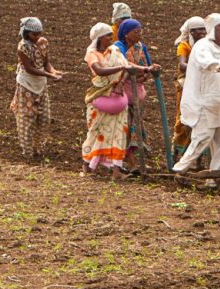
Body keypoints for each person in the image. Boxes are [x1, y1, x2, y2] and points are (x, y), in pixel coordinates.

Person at [172, 13, 220, 186]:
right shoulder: (202, 46)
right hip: (204, 102)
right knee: (202, 138)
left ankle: (214, 178)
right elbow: (206, 63)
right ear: (212, 27)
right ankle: (179, 170)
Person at [82, 22, 132, 179]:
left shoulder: (115, 51)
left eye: (112, 35)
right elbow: (99, 70)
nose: (111, 38)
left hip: (117, 95)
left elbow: (127, 67)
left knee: (119, 133)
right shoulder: (92, 54)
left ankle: (116, 172)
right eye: (108, 35)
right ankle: (87, 167)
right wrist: (121, 69)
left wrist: (121, 82)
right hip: (100, 95)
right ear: (99, 38)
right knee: (95, 132)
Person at [10, 17, 63, 159]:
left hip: (41, 85)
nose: (37, 37)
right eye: (34, 34)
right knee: (26, 120)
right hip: (26, 85)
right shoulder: (23, 47)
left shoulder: (43, 43)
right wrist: (49, 75)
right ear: (26, 33)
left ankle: (38, 149)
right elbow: (29, 69)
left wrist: (53, 71)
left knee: (44, 118)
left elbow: (46, 63)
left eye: (39, 33)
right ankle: (27, 153)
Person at [113, 18, 161, 171]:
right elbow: (124, 65)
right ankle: (127, 161)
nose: (140, 34)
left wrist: (148, 72)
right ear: (126, 34)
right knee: (124, 127)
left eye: (140, 31)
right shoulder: (118, 47)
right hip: (121, 92)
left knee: (136, 127)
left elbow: (147, 65)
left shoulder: (140, 47)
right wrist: (145, 69)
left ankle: (133, 161)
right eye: (136, 31)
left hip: (137, 91)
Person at [172, 16, 207, 159]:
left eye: (204, 29)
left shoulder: (206, 46)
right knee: (184, 118)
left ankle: (197, 157)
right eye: (198, 30)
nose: (202, 32)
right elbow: (182, 65)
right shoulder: (184, 46)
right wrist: (199, 67)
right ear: (191, 32)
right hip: (186, 85)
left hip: (201, 86)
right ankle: (178, 152)